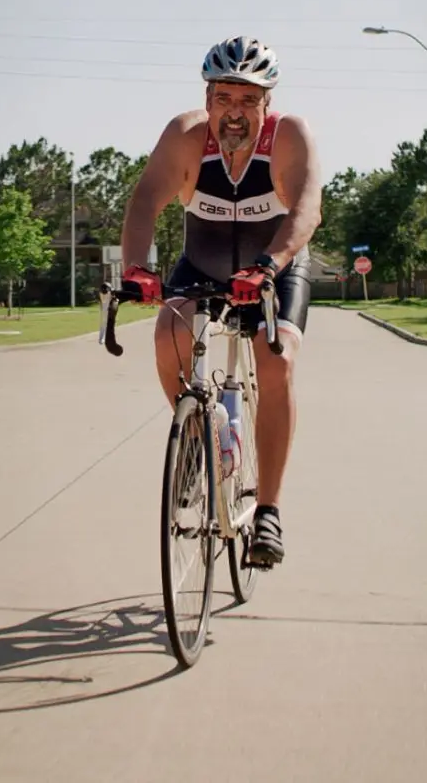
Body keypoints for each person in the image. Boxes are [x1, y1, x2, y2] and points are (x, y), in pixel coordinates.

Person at [117, 35, 322, 570]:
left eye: (248, 100)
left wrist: (270, 265)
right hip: (202, 267)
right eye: (224, 99)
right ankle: (201, 438)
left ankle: (270, 510)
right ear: (207, 98)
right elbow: (145, 200)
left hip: (274, 268)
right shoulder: (185, 137)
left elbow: (306, 208)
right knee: (168, 334)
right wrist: (135, 267)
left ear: (266, 104)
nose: (235, 113)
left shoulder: (288, 137)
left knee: (274, 359)